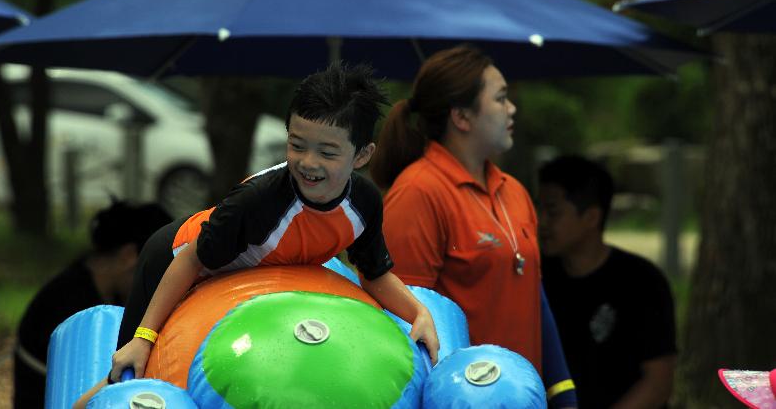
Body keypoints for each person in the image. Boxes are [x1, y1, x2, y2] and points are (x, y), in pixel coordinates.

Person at [74, 62, 439, 408]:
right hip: (175, 259)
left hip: (261, 276)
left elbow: (373, 272)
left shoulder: (364, 202)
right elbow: (191, 259)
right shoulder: (260, 201)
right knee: (129, 376)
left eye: (327, 152)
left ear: (362, 156)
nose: (309, 163)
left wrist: (418, 312)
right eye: (297, 145)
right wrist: (144, 338)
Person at [371, 45, 577, 408]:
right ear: (462, 117)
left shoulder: (513, 190)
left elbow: (534, 295)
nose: (511, 108)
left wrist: (562, 390)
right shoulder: (418, 192)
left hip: (521, 397)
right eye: (500, 98)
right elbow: (401, 324)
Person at [538, 155, 677, 409]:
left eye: (553, 211)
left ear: (591, 217)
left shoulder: (642, 283)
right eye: (540, 210)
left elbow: (658, 382)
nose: (541, 221)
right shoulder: (537, 277)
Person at [13, 200, 172, 409]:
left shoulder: (93, 287)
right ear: (129, 256)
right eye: (154, 272)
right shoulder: (71, 305)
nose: (153, 286)